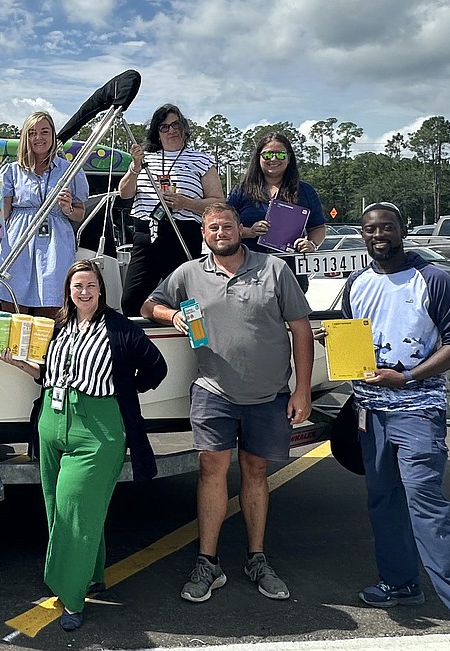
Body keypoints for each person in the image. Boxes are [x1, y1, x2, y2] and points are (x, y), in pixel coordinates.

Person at [141, 203, 313, 603]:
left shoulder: (274, 270)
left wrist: (302, 390)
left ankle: (257, 558)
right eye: (213, 227)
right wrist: (170, 317)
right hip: (212, 390)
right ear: (204, 234)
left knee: (255, 472)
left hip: (269, 394)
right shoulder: (188, 273)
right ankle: (208, 561)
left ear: (241, 229)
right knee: (210, 472)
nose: (221, 232)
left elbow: (301, 329)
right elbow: (148, 305)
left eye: (227, 226)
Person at [0, 259, 166, 631]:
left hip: (98, 430)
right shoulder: (57, 327)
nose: (84, 292)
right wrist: (20, 365)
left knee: (74, 511)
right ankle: (89, 575)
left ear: (101, 289)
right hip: (52, 421)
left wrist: (127, 389)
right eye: (78, 287)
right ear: (68, 292)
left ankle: (71, 598)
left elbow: (156, 368)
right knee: (58, 508)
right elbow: (48, 373)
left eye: (91, 285)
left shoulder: (120, 330)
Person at [327, 202, 450, 634]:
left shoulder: (432, 279)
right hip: (370, 413)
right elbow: (353, 336)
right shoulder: (357, 281)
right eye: (370, 229)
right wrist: (332, 340)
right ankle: (401, 583)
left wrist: (407, 377)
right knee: (383, 500)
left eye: (387, 227)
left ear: (402, 230)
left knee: (425, 504)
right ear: (363, 235)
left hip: (418, 411)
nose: (378, 235)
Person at [119, 103, 225, 316]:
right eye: (164, 127)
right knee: (131, 300)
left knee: (187, 299)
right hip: (146, 235)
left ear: (185, 129)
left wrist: (187, 203)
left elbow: (218, 203)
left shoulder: (201, 161)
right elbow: (125, 194)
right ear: (157, 133)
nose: (171, 131)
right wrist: (134, 168)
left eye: (176, 125)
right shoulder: (145, 159)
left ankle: (189, 341)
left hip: (183, 234)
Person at [0, 111, 88, 317]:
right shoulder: (11, 171)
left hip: (55, 247)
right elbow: (1, 213)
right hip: (18, 245)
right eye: (32, 133)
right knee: (14, 315)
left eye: (44, 132)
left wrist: (67, 208)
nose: (38, 138)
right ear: (25, 137)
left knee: (50, 315)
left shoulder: (70, 170)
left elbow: (80, 214)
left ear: (53, 136)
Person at [228, 132, 326, 291]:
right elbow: (225, 226)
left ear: (289, 158)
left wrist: (312, 244)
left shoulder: (305, 191)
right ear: (258, 158)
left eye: (280, 154)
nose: (273, 159)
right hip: (249, 273)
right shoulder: (241, 191)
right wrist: (249, 231)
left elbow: (318, 228)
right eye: (267, 155)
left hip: (291, 273)